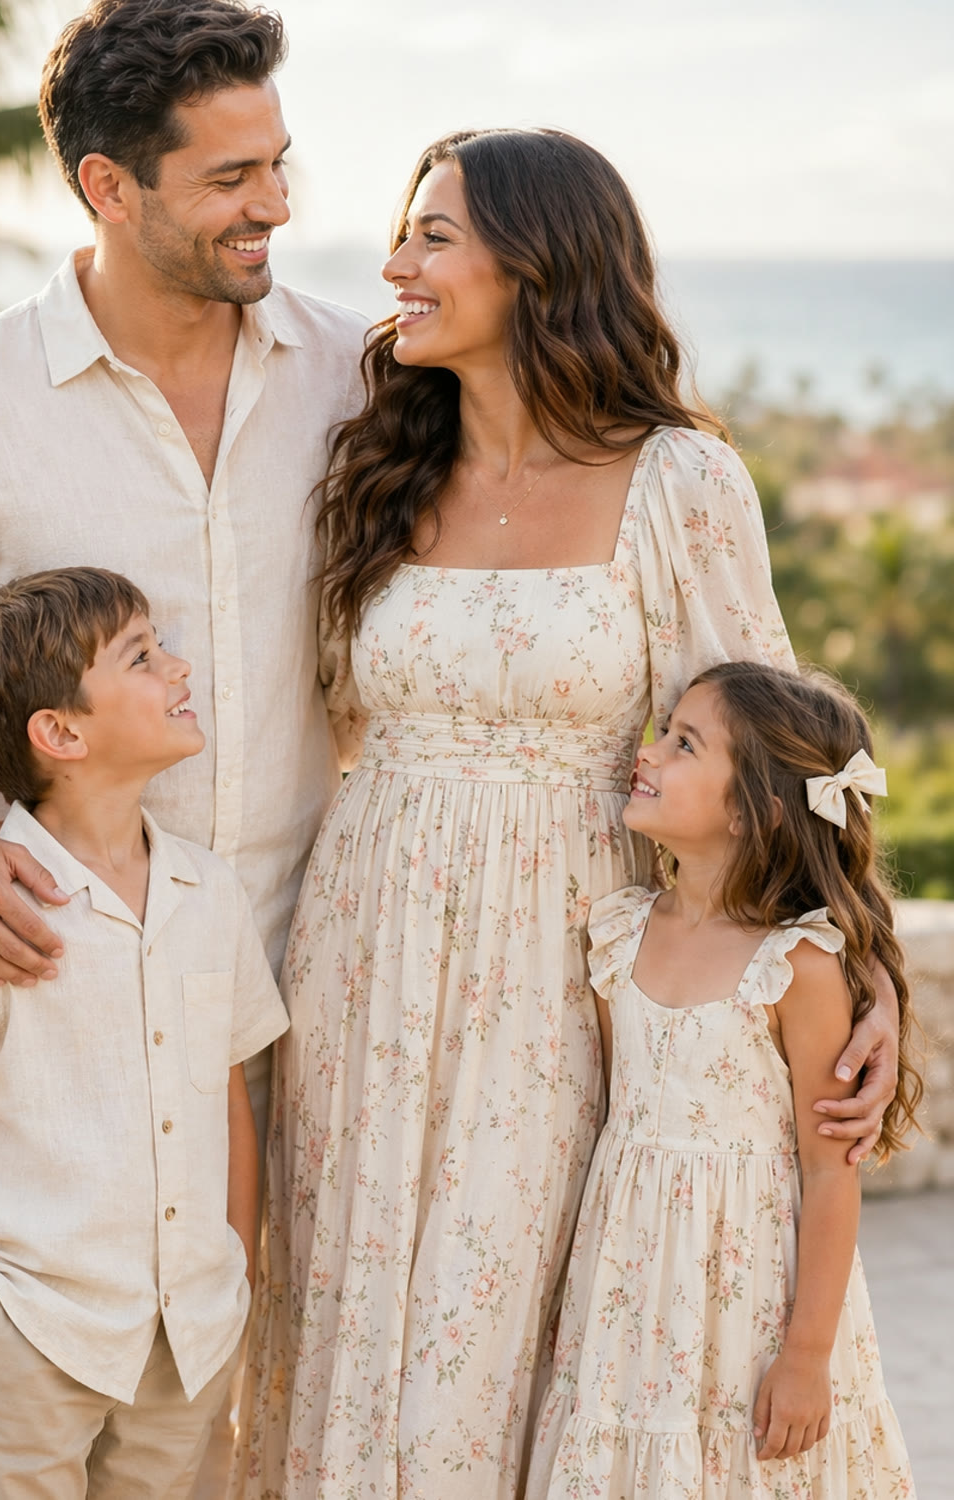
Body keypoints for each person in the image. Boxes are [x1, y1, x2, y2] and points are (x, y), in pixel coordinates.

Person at [233, 129, 900, 1499]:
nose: (394, 266)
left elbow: (782, 755)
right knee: (366, 1321)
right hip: (369, 971)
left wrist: (864, 965)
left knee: (540, 1321)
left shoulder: (681, 485)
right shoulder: (378, 471)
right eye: (403, 235)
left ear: (538, 265)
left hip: (571, 979)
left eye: (433, 237)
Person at [0, 0, 366, 1023]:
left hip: (322, 985)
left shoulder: (358, 379)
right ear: (107, 186)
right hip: (68, 999)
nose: (274, 206)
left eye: (278, 164)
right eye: (229, 179)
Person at [0, 567, 289, 1499]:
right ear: (60, 733)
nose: (179, 668)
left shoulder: (207, 893)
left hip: (185, 1344)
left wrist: (236, 1268)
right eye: (143, 655)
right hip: (30, 1341)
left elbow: (226, 1088)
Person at [525, 661, 920, 1498]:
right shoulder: (620, 932)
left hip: (750, 1293)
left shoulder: (797, 967)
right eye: (664, 732)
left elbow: (828, 1167)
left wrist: (808, 1355)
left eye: (684, 744)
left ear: (751, 811)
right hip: (632, 1285)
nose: (650, 753)